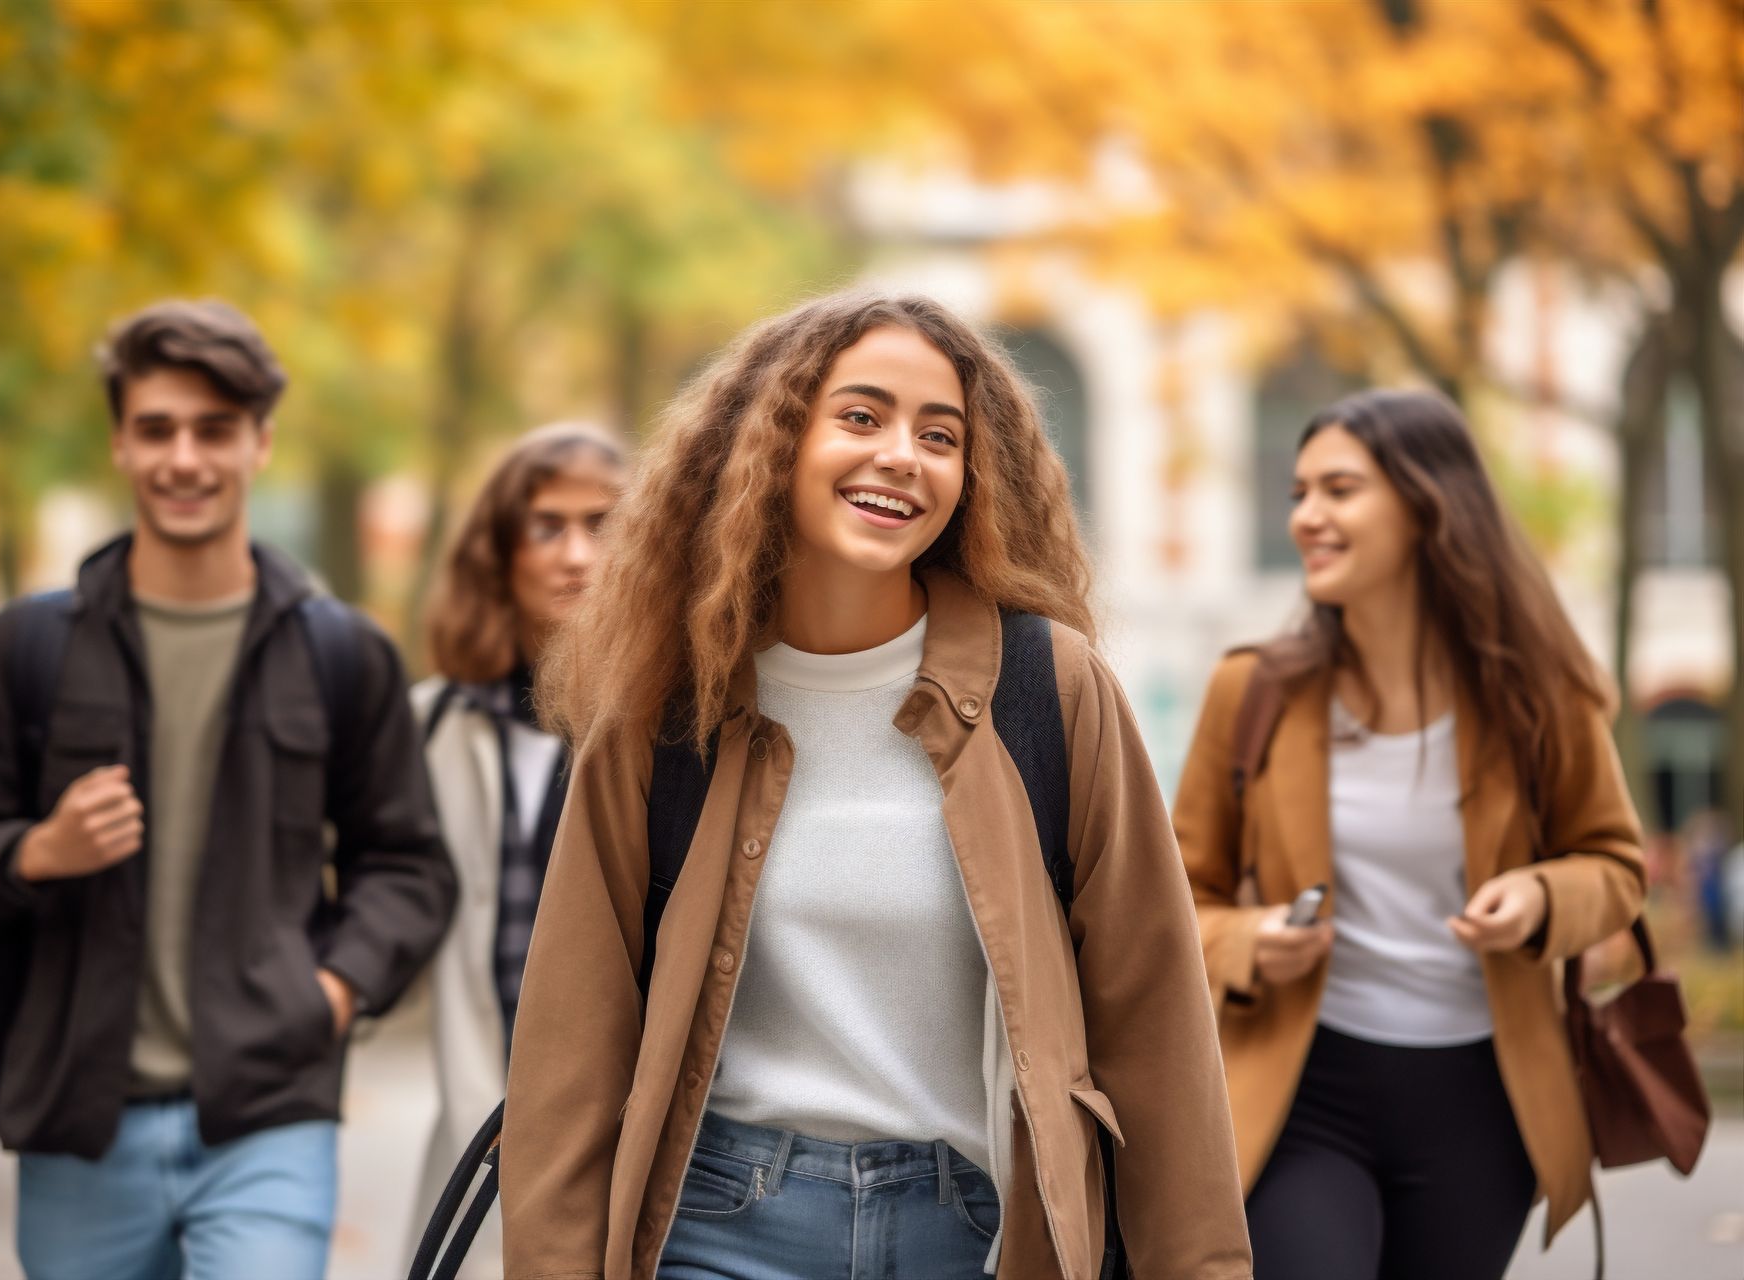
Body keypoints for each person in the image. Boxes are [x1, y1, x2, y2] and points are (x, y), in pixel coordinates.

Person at [500, 292, 1252, 1280]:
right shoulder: (664, 705)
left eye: (940, 435)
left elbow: (1156, 1027)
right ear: (772, 444)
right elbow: (572, 1052)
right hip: (721, 1223)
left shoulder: (1048, 688)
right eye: (861, 416)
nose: (903, 453)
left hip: (977, 1230)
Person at [0, 300, 458, 1280]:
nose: (184, 458)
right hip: (78, 1117)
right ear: (119, 442)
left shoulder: (340, 652)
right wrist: (38, 851)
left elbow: (407, 865)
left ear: (260, 442)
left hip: (267, 1113)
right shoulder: (30, 645)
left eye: (214, 429)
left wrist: (328, 993)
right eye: (156, 428)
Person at [1171, 390, 1645, 1279]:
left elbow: (1616, 865)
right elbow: (1170, 901)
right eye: (1299, 492)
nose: (1307, 516)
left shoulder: (1539, 695)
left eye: (1339, 490)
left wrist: (1542, 897)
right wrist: (1250, 939)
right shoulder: (1253, 692)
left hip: (1482, 1101)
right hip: (1300, 1091)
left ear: (1429, 505)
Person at [403, 421, 626, 1277]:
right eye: (547, 527)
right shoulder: (429, 727)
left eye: (602, 525)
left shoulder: (684, 720)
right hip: (476, 1128)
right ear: (499, 554)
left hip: (631, 1145)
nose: (577, 553)